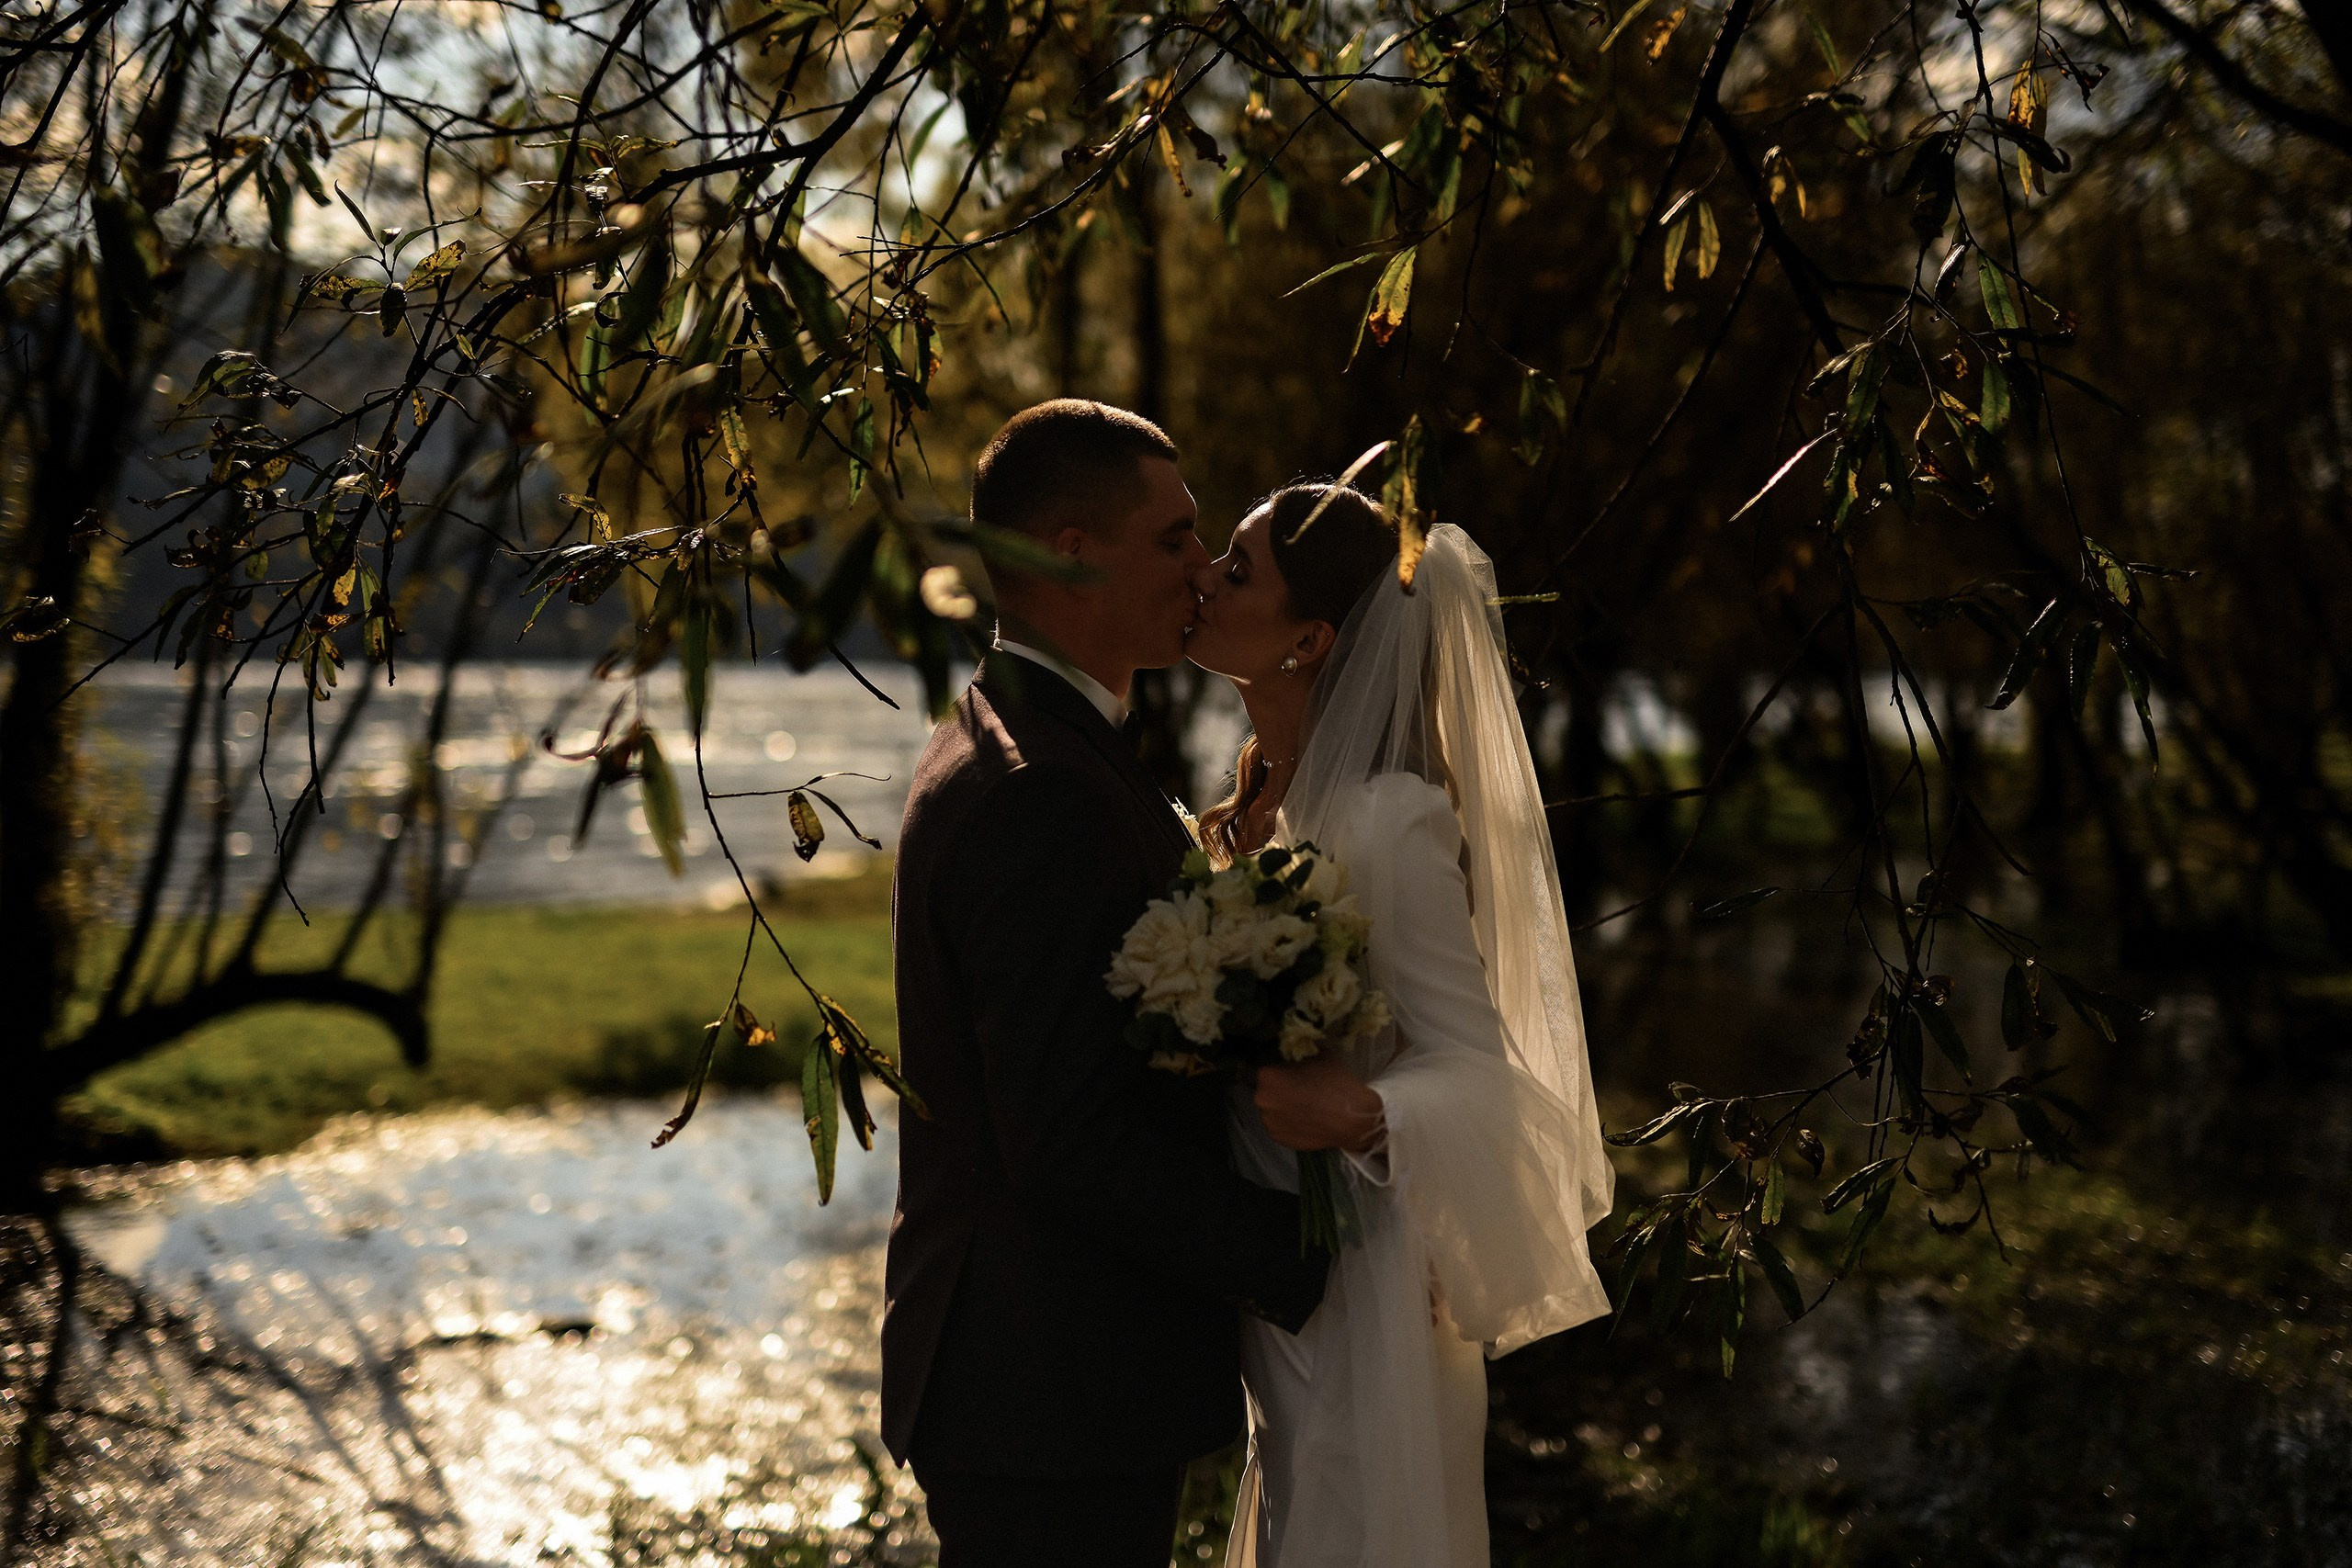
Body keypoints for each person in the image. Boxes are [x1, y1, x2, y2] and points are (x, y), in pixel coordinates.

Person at [883, 402, 1354, 1568]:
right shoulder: (1039, 783)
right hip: (1046, 1387)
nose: (1200, 569)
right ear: (1072, 554)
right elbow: (1065, 1139)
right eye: (1174, 540)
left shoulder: (1039, 739)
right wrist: (1308, 1255)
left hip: (1048, 1382)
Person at [1187, 486, 1617, 1567]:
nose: (1202, 577)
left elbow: (1487, 1074)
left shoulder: (1385, 818)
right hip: (1276, 1287)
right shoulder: (1256, 812)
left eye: (1235, 571)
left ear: (1309, 640)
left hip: (1367, 1291)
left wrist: (1363, 1110)